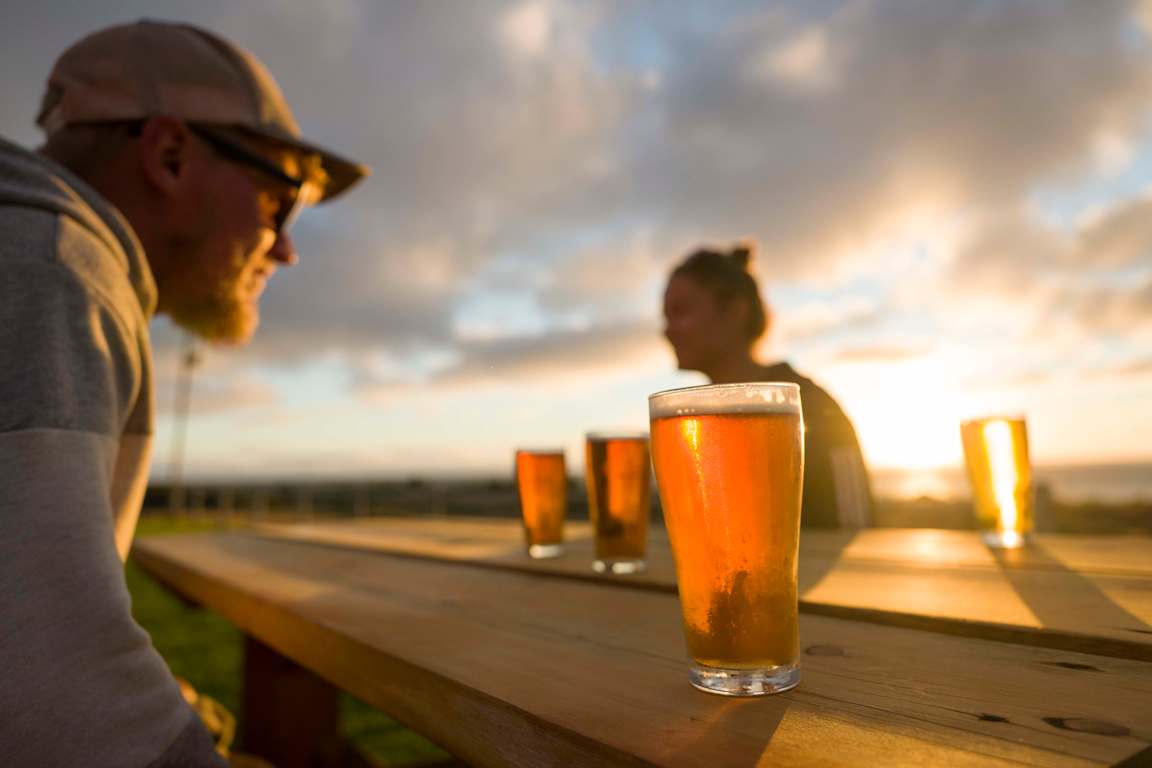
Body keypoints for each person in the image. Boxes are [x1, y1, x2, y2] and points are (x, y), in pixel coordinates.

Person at [0, 20, 368, 767]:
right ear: (168, 155)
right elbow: (50, 692)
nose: (288, 248)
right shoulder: (53, 272)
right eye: (279, 200)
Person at [662, 243, 873, 528]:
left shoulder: (809, 407)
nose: (668, 330)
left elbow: (855, 523)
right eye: (667, 317)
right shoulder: (697, 423)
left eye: (681, 312)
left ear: (735, 312)